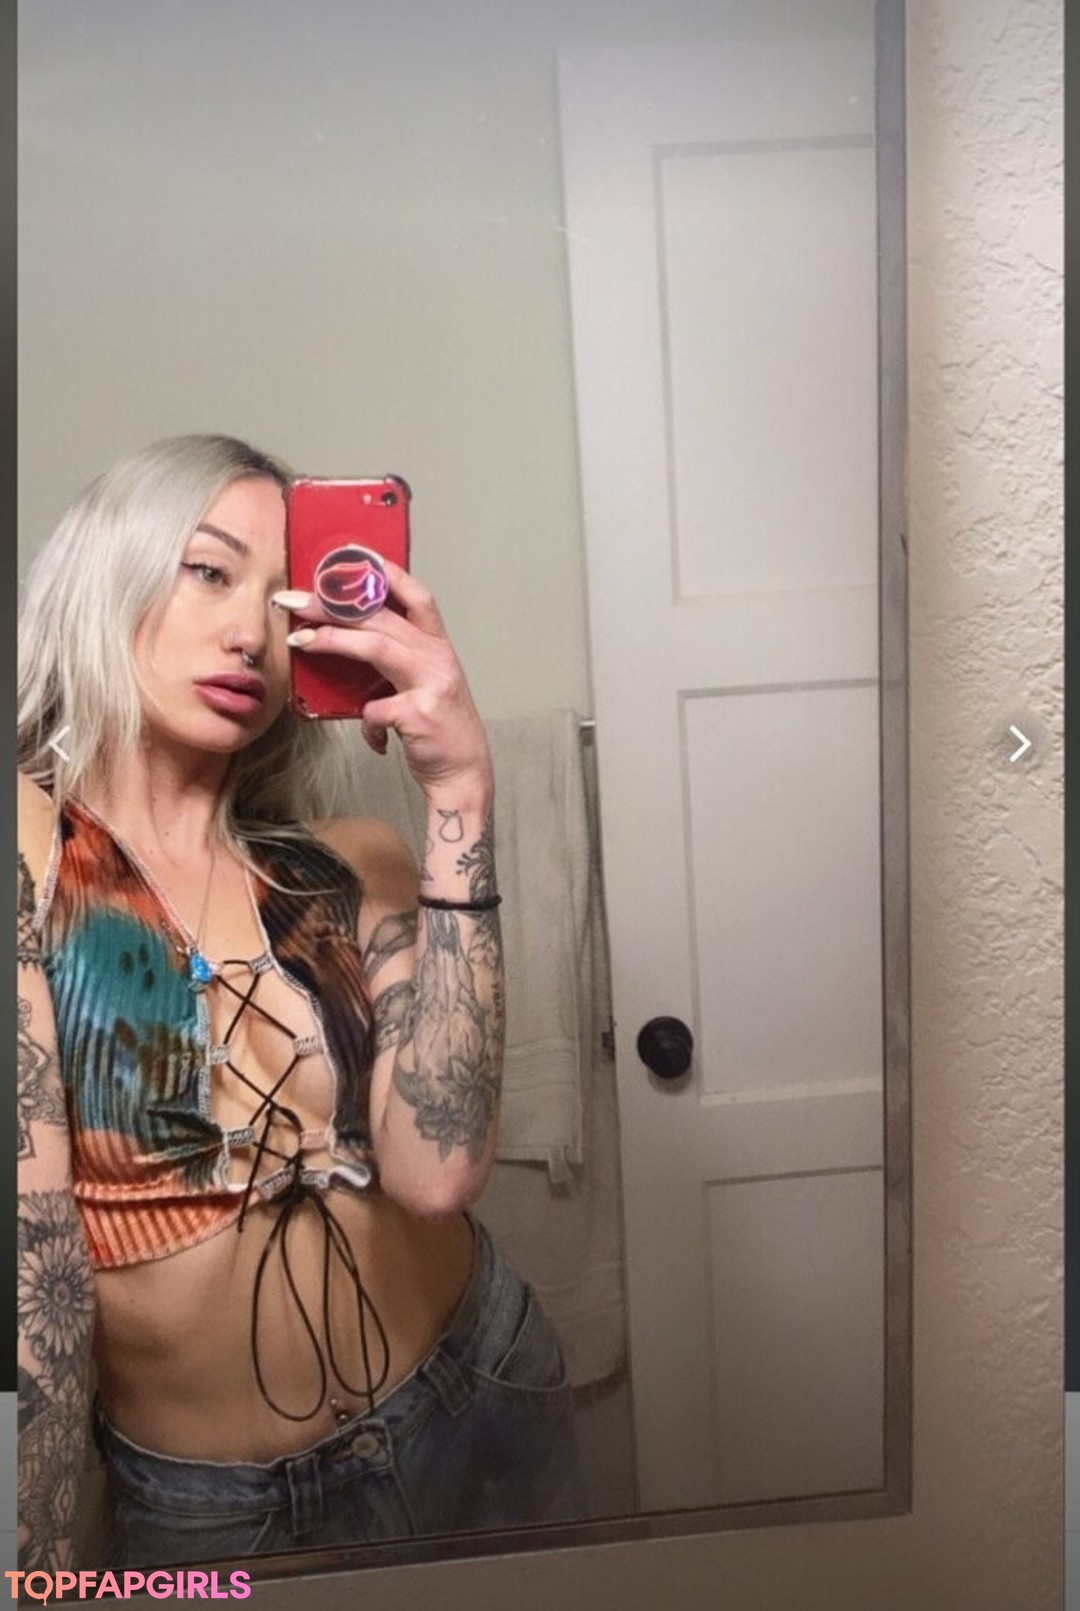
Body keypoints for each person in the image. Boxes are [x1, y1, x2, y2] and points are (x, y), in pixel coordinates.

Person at [17, 434, 581, 1570]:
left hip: (483, 1384)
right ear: (105, 573)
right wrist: (31, 1556)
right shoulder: (29, 847)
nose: (251, 634)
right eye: (209, 571)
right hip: (218, 1511)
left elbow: (438, 1172)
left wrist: (461, 789)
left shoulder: (352, 860)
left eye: (285, 607)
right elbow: (39, 1275)